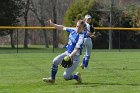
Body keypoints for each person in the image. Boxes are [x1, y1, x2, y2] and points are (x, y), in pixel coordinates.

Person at [42, 19, 86, 84]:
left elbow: (76, 49)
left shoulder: (81, 37)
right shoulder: (73, 30)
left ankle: (76, 77)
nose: (77, 28)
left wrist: (70, 56)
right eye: (77, 26)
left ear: (83, 28)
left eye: (80, 27)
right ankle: (52, 79)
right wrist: (53, 24)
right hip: (67, 53)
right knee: (55, 61)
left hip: (75, 58)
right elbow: (62, 27)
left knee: (66, 76)